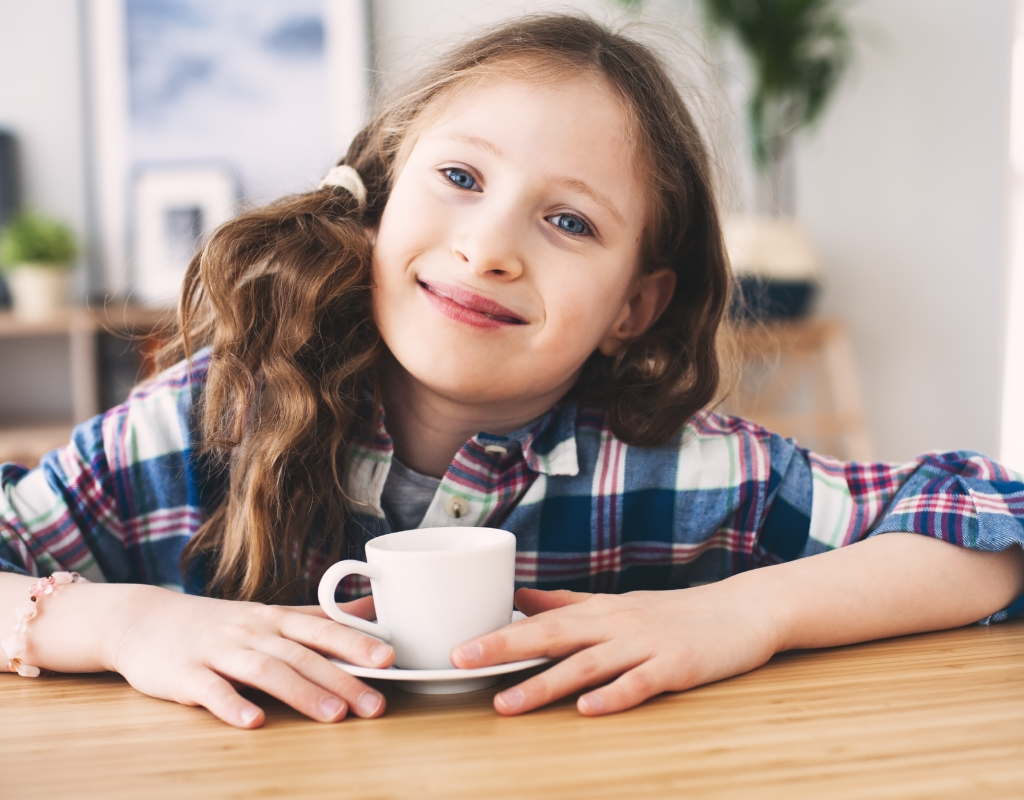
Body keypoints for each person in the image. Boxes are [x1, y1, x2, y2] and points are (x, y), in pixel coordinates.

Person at [2, 14, 1023, 730]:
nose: (489, 247)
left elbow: (991, 523)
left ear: (634, 306)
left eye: (569, 220)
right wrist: (120, 618)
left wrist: (743, 612)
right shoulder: (208, 419)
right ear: (379, 198)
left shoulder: (686, 473)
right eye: (459, 178)